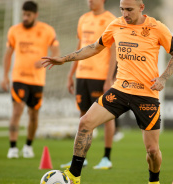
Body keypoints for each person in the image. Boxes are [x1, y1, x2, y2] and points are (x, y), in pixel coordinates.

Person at [42, 0, 173, 183]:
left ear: (141, 8)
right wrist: (64, 59)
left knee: (152, 151)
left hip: (147, 95)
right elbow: (94, 47)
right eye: (122, 9)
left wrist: (163, 78)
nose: (125, 14)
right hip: (120, 91)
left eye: (129, 10)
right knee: (85, 123)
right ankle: (74, 175)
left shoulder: (157, 27)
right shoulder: (116, 25)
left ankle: (154, 180)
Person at [60, 0, 117, 170]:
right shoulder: (83, 18)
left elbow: (114, 51)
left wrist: (109, 78)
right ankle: (81, 158)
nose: (90, 1)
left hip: (100, 76)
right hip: (82, 75)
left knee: (106, 117)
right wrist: (71, 74)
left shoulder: (111, 20)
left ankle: (106, 158)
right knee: (83, 116)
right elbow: (79, 47)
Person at [1, 1, 60, 159]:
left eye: (29, 15)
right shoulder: (14, 30)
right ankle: (13, 147)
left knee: (33, 114)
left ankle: (28, 146)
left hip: (38, 80)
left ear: (36, 15)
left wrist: (46, 60)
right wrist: (5, 76)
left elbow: (55, 49)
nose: (25, 18)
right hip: (19, 77)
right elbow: (8, 54)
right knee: (17, 110)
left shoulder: (47, 30)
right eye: (24, 14)